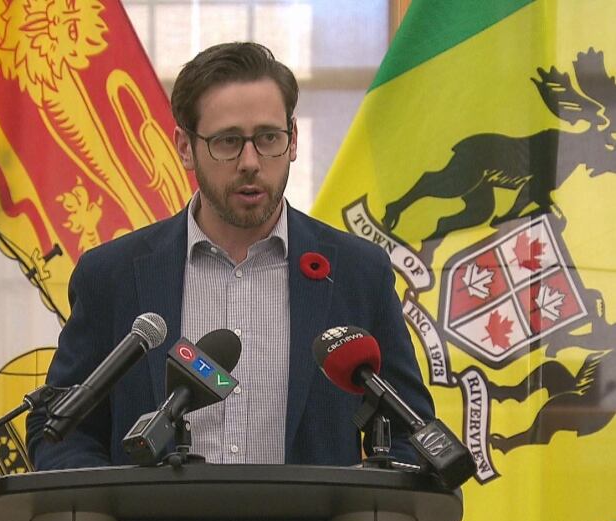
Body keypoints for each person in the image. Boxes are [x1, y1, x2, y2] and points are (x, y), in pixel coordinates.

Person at [26, 42, 434, 470]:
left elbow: (414, 435)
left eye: (269, 138)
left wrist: (361, 505)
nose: (251, 162)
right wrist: (118, 516)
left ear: (293, 140)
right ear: (185, 147)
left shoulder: (356, 274)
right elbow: (61, 432)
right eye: (227, 142)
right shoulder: (112, 275)